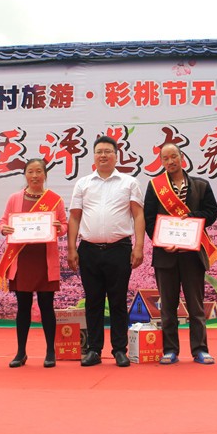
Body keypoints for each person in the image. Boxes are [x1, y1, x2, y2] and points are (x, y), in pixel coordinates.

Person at [67, 135, 145, 367]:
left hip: (119, 249)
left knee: (118, 300)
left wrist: (139, 246)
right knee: (93, 301)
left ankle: (119, 349)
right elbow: (74, 217)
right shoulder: (83, 183)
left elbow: (138, 215)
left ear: (116, 156)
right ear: (94, 156)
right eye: (99, 151)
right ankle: (94, 349)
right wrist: (71, 248)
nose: (103, 155)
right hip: (89, 249)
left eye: (108, 151)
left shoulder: (129, 182)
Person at [143, 143, 217, 365]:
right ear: (161, 161)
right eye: (165, 158)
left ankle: (200, 349)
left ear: (182, 157)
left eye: (174, 156)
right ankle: (170, 350)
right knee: (168, 306)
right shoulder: (155, 187)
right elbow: (149, 219)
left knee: (196, 305)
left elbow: (212, 212)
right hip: (165, 255)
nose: (170, 161)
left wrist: (192, 217)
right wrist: (162, 242)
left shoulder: (200, 185)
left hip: (193, 255)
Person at [0, 159, 68, 368]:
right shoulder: (15, 198)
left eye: (38, 171)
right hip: (22, 259)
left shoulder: (55, 199)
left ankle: (50, 351)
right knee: (23, 307)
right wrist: (4, 229)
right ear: (25, 174)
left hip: (44, 259)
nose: (34, 176)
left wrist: (59, 227)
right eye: (30, 171)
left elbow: (64, 225)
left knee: (47, 306)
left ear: (45, 174)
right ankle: (21, 352)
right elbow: (3, 221)